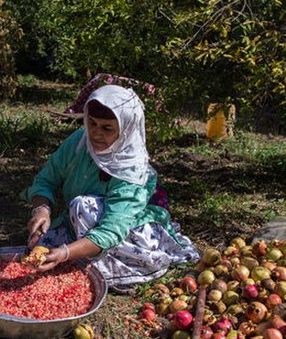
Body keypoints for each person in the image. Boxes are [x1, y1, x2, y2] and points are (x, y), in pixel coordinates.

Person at [23, 84, 200, 291]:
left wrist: (65, 253)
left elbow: (111, 230)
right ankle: (79, 246)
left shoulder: (132, 169)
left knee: (82, 208)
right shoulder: (79, 142)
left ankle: (113, 265)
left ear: (125, 129)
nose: (96, 133)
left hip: (127, 227)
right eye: (92, 123)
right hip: (87, 220)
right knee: (38, 245)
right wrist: (41, 210)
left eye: (107, 128)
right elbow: (46, 179)